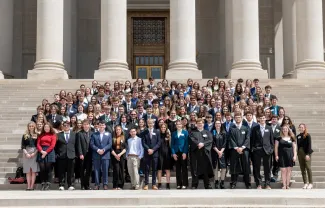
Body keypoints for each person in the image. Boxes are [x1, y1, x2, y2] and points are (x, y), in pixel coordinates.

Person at [251, 114, 274, 189]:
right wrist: (254, 149)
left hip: (267, 151)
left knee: (267, 168)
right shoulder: (255, 128)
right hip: (257, 150)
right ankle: (259, 184)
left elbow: (271, 140)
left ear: (265, 119)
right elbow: (252, 140)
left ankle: (267, 184)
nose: (262, 119)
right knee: (256, 168)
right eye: (261, 118)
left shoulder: (269, 128)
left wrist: (271, 149)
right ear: (258, 119)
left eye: (263, 118)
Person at [189, 118, 214, 189]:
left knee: (205, 168)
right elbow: (191, 139)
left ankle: (207, 184)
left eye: (201, 123)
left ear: (203, 124)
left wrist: (203, 144)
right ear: (196, 124)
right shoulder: (192, 132)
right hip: (195, 153)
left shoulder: (207, 132)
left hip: (205, 153)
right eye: (198, 123)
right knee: (195, 168)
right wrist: (198, 144)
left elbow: (210, 140)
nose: (200, 124)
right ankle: (194, 184)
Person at [229, 114, 251, 189]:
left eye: (239, 117)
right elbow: (231, 139)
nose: (237, 118)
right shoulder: (232, 128)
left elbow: (248, 138)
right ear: (234, 118)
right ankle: (233, 182)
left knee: (246, 165)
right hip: (235, 150)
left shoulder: (246, 128)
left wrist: (242, 147)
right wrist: (236, 148)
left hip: (244, 150)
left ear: (241, 118)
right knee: (234, 165)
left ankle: (247, 182)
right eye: (236, 117)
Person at [90, 120, 112, 190]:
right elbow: (91, 144)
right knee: (96, 170)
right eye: (100, 125)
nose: (101, 126)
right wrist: (98, 150)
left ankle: (105, 184)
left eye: (103, 125)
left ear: (105, 126)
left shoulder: (109, 134)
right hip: (96, 155)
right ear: (98, 126)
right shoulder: (94, 134)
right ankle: (97, 184)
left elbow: (110, 144)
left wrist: (104, 150)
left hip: (105, 155)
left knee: (105, 170)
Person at [55, 121, 77, 190]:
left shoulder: (74, 134)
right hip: (61, 155)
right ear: (62, 126)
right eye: (64, 125)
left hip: (71, 155)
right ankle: (61, 184)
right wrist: (57, 154)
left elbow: (76, 145)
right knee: (61, 171)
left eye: (67, 125)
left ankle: (71, 185)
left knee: (71, 171)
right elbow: (56, 146)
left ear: (69, 126)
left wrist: (76, 154)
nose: (66, 126)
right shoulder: (58, 135)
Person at [275, 124, 297, 189]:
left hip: (290, 155)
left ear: (288, 130)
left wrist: (295, 156)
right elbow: (276, 147)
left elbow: (294, 148)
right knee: (283, 170)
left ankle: (287, 185)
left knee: (289, 170)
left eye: (286, 129)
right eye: (283, 129)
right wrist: (276, 155)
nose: (285, 130)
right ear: (282, 130)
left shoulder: (292, 138)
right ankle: (284, 185)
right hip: (281, 156)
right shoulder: (278, 138)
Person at [141, 119, 161, 190]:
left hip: (155, 153)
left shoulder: (157, 132)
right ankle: (146, 184)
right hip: (147, 153)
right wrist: (148, 149)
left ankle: (154, 184)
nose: (150, 124)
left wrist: (153, 150)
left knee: (154, 169)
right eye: (149, 123)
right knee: (147, 169)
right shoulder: (144, 132)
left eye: (151, 123)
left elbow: (159, 143)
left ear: (153, 123)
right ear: (147, 124)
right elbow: (143, 143)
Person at [37, 123, 57, 190]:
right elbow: (38, 144)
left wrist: (46, 152)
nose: (46, 128)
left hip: (49, 151)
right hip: (41, 151)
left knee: (49, 169)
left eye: (47, 127)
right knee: (42, 169)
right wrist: (41, 151)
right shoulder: (41, 135)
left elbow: (52, 145)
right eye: (45, 127)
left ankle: (48, 183)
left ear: (50, 128)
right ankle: (43, 183)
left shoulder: (53, 135)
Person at [21, 122, 39, 190]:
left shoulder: (37, 134)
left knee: (33, 170)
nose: (31, 127)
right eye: (30, 126)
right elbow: (23, 146)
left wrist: (34, 153)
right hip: (27, 152)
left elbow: (38, 145)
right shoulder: (25, 135)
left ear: (34, 127)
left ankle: (32, 186)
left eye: (32, 126)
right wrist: (26, 153)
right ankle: (28, 186)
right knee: (28, 171)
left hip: (34, 152)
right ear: (28, 127)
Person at [171, 120, 189, 189]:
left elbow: (186, 143)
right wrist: (173, 153)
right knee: (178, 169)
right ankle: (179, 184)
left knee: (184, 168)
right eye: (177, 124)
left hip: (183, 152)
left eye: (179, 124)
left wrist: (185, 152)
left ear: (182, 125)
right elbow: (172, 144)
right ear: (176, 126)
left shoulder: (185, 132)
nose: (178, 125)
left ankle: (185, 183)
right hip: (176, 153)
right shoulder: (174, 133)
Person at [77, 120, 93, 190]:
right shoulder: (79, 133)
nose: (86, 126)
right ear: (82, 126)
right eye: (85, 124)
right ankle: (82, 185)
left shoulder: (92, 133)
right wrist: (80, 154)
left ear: (89, 125)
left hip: (90, 155)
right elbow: (78, 145)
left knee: (89, 171)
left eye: (87, 124)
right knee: (82, 171)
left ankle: (87, 185)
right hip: (82, 155)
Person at [297, 123, 313, 189]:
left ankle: (311, 183)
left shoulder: (307, 135)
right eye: (300, 127)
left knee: (308, 168)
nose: (301, 128)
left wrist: (307, 154)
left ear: (304, 128)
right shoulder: (298, 136)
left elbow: (309, 145)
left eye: (302, 127)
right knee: (302, 169)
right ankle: (305, 183)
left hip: (306, 153)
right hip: (300, 153)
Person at [211, 120, 227, 189]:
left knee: (223, 167)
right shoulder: (212, 132)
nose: (217, 124)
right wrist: (218, 151)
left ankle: (222, 182)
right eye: (216, 123)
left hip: (222, 152)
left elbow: (225, 143)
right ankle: (216, 181)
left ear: (221, 124)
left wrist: (221, 151)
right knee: (215, 167)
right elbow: (212, 143)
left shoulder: (224, 133)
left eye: (219, 123)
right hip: (214, 152)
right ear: (214, 125)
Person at [111, 125, 127, 190]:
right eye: (116, 129)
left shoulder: (124, 137)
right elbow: (111, 148)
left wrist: (119, 155)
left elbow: (126, 148)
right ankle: (115, 185)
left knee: (121, 171)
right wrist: (115, 155)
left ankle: (120, 185)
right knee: (116, 170)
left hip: (121, 155)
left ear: (121, 130)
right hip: (114, 155)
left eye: (119, 129)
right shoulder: (112, 137)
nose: (118, 131)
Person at [157, 123, 172, 189]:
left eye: (164, 127)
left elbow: (170, 145)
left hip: (167, 153)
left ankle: (168, 183)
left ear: (166, 128)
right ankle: (159, 183)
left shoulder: (168, 135)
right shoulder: (158, 135)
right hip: (159, 153)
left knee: (167, 169)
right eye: (162, 127)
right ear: (160, 128)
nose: (163, 128)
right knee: (159, 169)